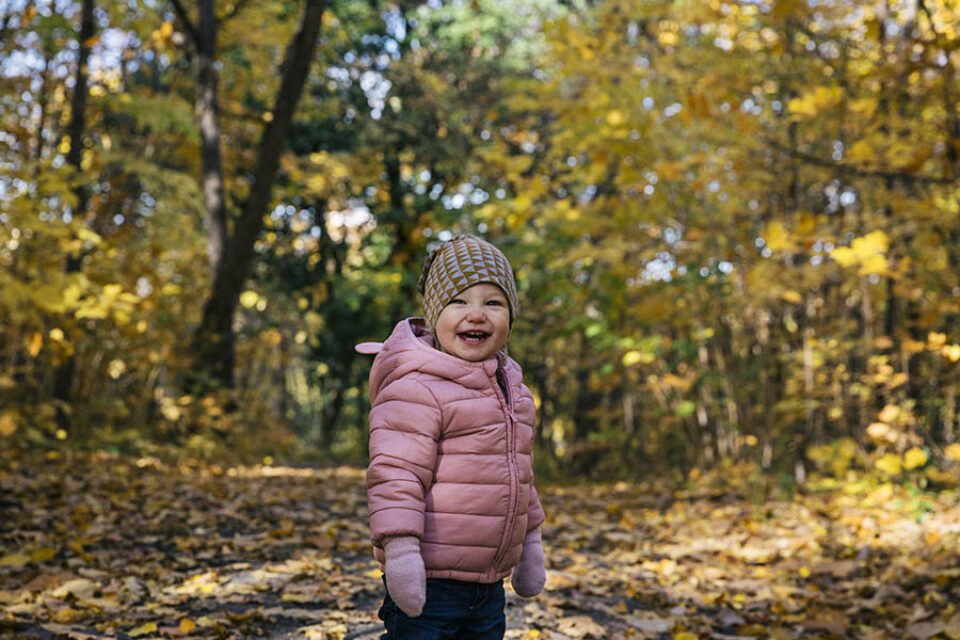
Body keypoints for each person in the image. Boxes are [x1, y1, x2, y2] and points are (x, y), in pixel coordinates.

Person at [355, 234, 546, 639]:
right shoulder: (418, 387)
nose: (476, 314)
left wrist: (531, 546)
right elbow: (397, 475)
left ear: (510, 318)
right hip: (429, 580)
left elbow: (520, 475)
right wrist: (401, 552)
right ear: (434, 314)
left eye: (493, 303)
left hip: (489, 584)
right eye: (459, 301)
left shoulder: (514, 391)